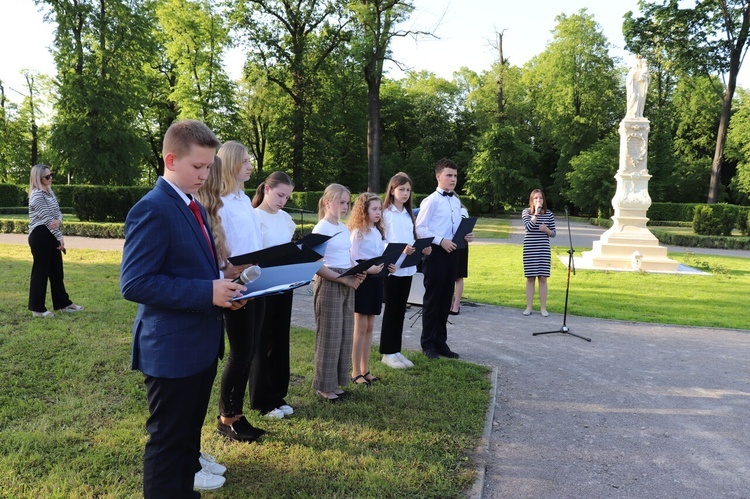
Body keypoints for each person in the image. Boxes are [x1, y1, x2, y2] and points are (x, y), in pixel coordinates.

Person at [120, 119, 246, 497]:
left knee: (187, 440)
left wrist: (225, 285)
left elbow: (193, 267)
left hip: (200, 345)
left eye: (209, 167)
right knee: (168, 444)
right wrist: (207, 292)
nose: (205, 175)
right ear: (171, 160)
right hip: (172, 350)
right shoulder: (153, 208)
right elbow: (135, 283)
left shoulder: (191, 203)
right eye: (198, 167)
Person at [214, 140, 267, 442]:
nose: (250, 165)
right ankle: (227, 417)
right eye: (245, 160)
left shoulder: (243, 199)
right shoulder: (219, 201)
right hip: (236, 280)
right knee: (240, 352)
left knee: (250, 349)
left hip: (256, 278)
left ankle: (236, 414)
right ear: (231, 163)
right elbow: (221, 243)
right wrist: (227, 272)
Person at [248, 171, 297, 419]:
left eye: (287, 197)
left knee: (280, 340)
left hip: (284, 284)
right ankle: (261, 400)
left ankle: (278, 395)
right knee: (262, 341)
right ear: (266, 189)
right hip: (263, 285)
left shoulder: (287, 219)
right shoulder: (254, 217)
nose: (282, 201)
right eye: (279, 195)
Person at [415, 158, 474, 359]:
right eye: (449, 175)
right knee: (433, 299)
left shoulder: (456, 201)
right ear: (438, 176)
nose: (453, 179)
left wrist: (467, 235)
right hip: (435, 253)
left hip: (453, 253)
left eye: (455, 176)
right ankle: (428, 344)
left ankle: (441, 342)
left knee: (446, 298)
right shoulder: (430, 201)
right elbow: (420, 229)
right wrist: (440, 241)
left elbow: (456, 228)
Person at [311, 184, 364, 401]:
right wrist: (344, 278)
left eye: (347, 202)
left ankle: (337, 382)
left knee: (343, 334)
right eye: (341, 202)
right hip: (330, 282)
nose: (345, 206)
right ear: (327, 202)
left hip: (346, 280)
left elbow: (348, 256)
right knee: (329, 336)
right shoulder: (321, 229)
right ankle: (324, 386)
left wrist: (357, 272)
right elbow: (315, 265)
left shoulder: (343, 228)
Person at [380, 172, 428, 369]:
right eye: (401, 189)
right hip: (392, 268)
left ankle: (396, 349)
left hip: (407, 268)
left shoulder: (409, 214)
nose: (405, 193)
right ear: (392, 190)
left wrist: (421, 247)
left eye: (408, 190)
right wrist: (399, 250)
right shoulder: (385, 214)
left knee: (400, 310)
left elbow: (411, 238)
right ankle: (387, 353)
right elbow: (381, 241)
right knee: (391, 310)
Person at [27, 164, 83, 318]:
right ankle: (37, 309)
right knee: (41, 271)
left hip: (51, 234)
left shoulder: (49, 193)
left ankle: (63, 303)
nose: (50, 178)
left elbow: (58, 214)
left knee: (57, 271)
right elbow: (47, 219)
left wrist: (59, 221)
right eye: (46, 176)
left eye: (50, 175)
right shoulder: (37, 195)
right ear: (38, 178)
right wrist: (60, 236)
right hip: (40, 235)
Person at [348, 192, 389, 385]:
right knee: (360, 327)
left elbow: (381, 254)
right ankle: (356, 371)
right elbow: (353, 259)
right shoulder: (358, 232)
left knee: (370, 326)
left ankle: (366, 369)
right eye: (374, 209)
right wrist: (368, 268)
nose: (378, 212)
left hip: (376, 281)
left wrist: (389, 265)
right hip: (363, 280)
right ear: (364, 211)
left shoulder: (377, 232)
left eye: (380, 208)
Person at [522, 189, 556, 317]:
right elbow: (529, 228)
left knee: (543, 278)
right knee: (530, 278)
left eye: (540, 198)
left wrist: (547, 230)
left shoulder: (549, 214)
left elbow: (554, 233)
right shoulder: (526, 212)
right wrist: (535, 214)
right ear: (532, 200)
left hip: (543, 249)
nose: (538, 200)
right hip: (530, 249)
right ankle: (529, 307)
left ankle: (543, 308)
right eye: (536, 198)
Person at [450, 204, 470, 316]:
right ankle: (449, 302)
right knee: (449, 276)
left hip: (461, 245)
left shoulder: (462, 211)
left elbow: (465, 228)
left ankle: (456, 304)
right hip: (449, 244)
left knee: (459, 276)